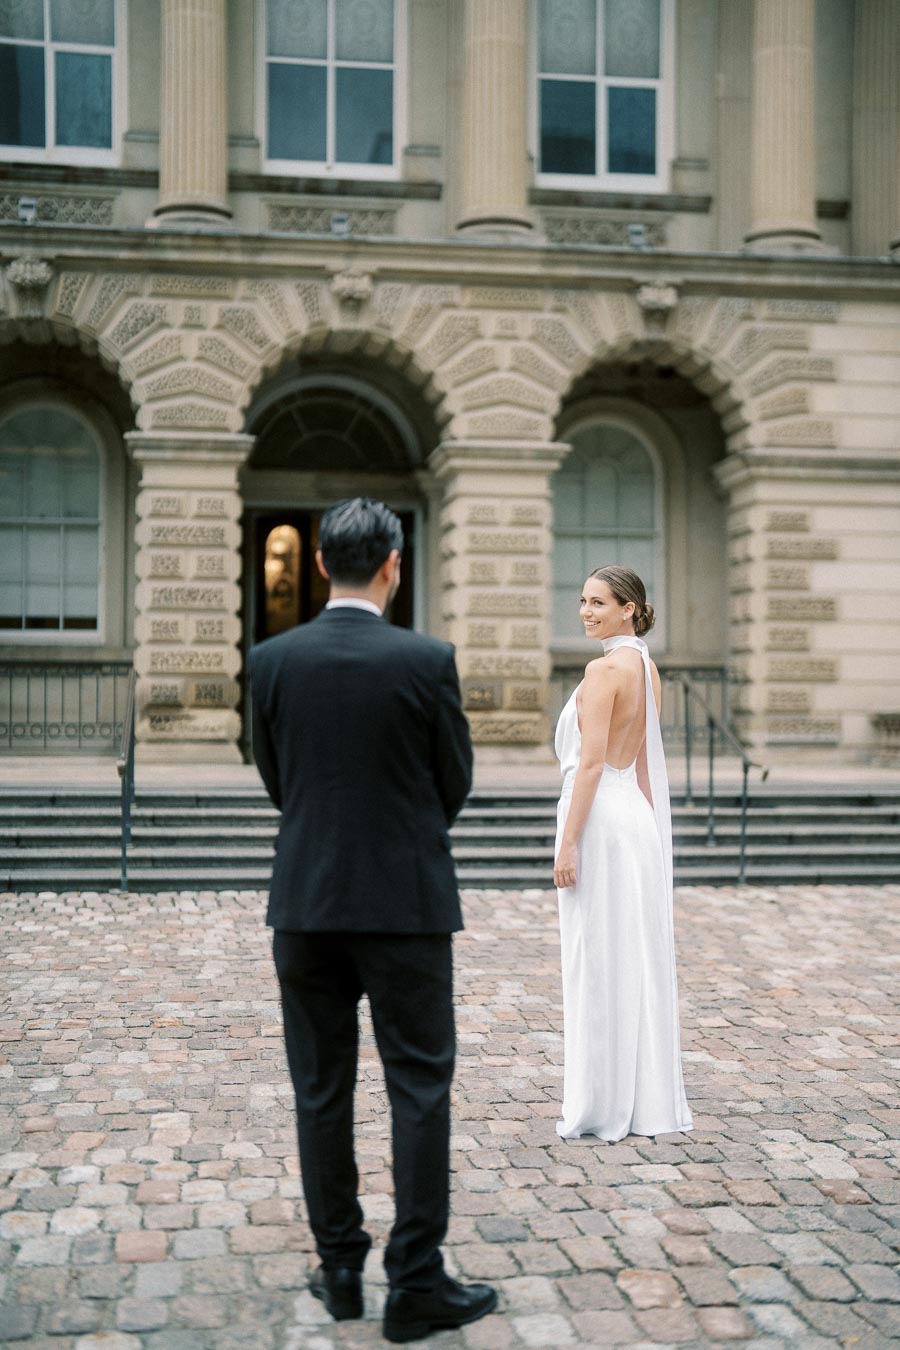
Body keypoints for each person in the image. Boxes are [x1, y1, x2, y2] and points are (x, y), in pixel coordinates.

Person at [248, 498, 497, 1343]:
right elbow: (452, 782)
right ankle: (416, 1283)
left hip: (308, 904)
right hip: (406, 903)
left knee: (321, 1091)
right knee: (419, 1089)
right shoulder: (427, 660)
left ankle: (342, 1269)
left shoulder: (272, 659)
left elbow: (278, 778)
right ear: (393, 563)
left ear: (321, 565)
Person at [552, 564, 693, 1142]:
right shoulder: (648, 669)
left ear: (628, 608)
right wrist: (652, 835)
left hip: (601, 822)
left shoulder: (603, 669)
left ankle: (599, 1104)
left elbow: (591, 763)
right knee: (629, 957)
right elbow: (641, 766)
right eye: (583, 601)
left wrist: (567, 844)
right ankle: (639, 1099)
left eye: (599, 603)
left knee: (595, 959)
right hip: (632, 821)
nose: (586, 612)